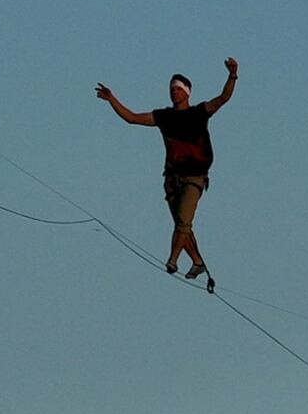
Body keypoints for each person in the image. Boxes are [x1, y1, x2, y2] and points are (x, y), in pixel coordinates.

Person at [95, 57, 238, 281]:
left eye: (178, 89)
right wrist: (112, 99)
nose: (174, 92)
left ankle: (172, 259)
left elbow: (224, 98)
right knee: (182, 225)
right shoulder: (164, 116)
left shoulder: (199, 112)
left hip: (194, 176)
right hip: (172, 178)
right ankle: (198, 262)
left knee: (184, 221)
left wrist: (232, 75)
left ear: (187, 92)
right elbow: (132, 118)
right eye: (171, 89)